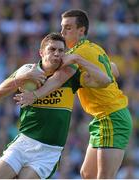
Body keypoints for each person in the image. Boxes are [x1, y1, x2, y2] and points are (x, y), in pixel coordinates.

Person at [17, 10, 132, 179]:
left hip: (111, 116)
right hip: (103, 117)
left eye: (68, 28)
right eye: (62, 28)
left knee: (104, 177)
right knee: (87, 173)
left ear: (81, 31)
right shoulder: (94, 48)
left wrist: (34, 95)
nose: (62, 32)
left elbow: (57, 79)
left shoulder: (76, 54)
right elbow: (114, 70)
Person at [0, 33, 111, 179]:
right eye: (52, 49)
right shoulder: (29, 70)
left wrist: (79, 59)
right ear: (41, 52)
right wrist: (21, 78)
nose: (57, 54)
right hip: (24, 143)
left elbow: (105, 80)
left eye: (60, 50)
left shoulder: (70, 76)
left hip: (48, 152)